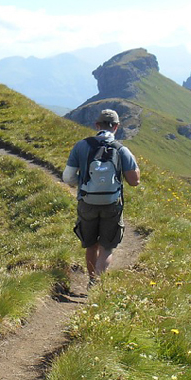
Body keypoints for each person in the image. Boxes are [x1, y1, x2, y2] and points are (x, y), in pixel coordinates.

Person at [62, 109, 140, 287]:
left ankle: (92, 277)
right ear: (116, 127)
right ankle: (95, 283)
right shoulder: (121, 149)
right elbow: (134, 181)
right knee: (107, 247)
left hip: (87, 202)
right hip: (112, 204)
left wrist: (82, 184)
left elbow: (68, 178)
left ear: (97, 125)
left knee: (91, 245)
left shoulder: (81, 146)